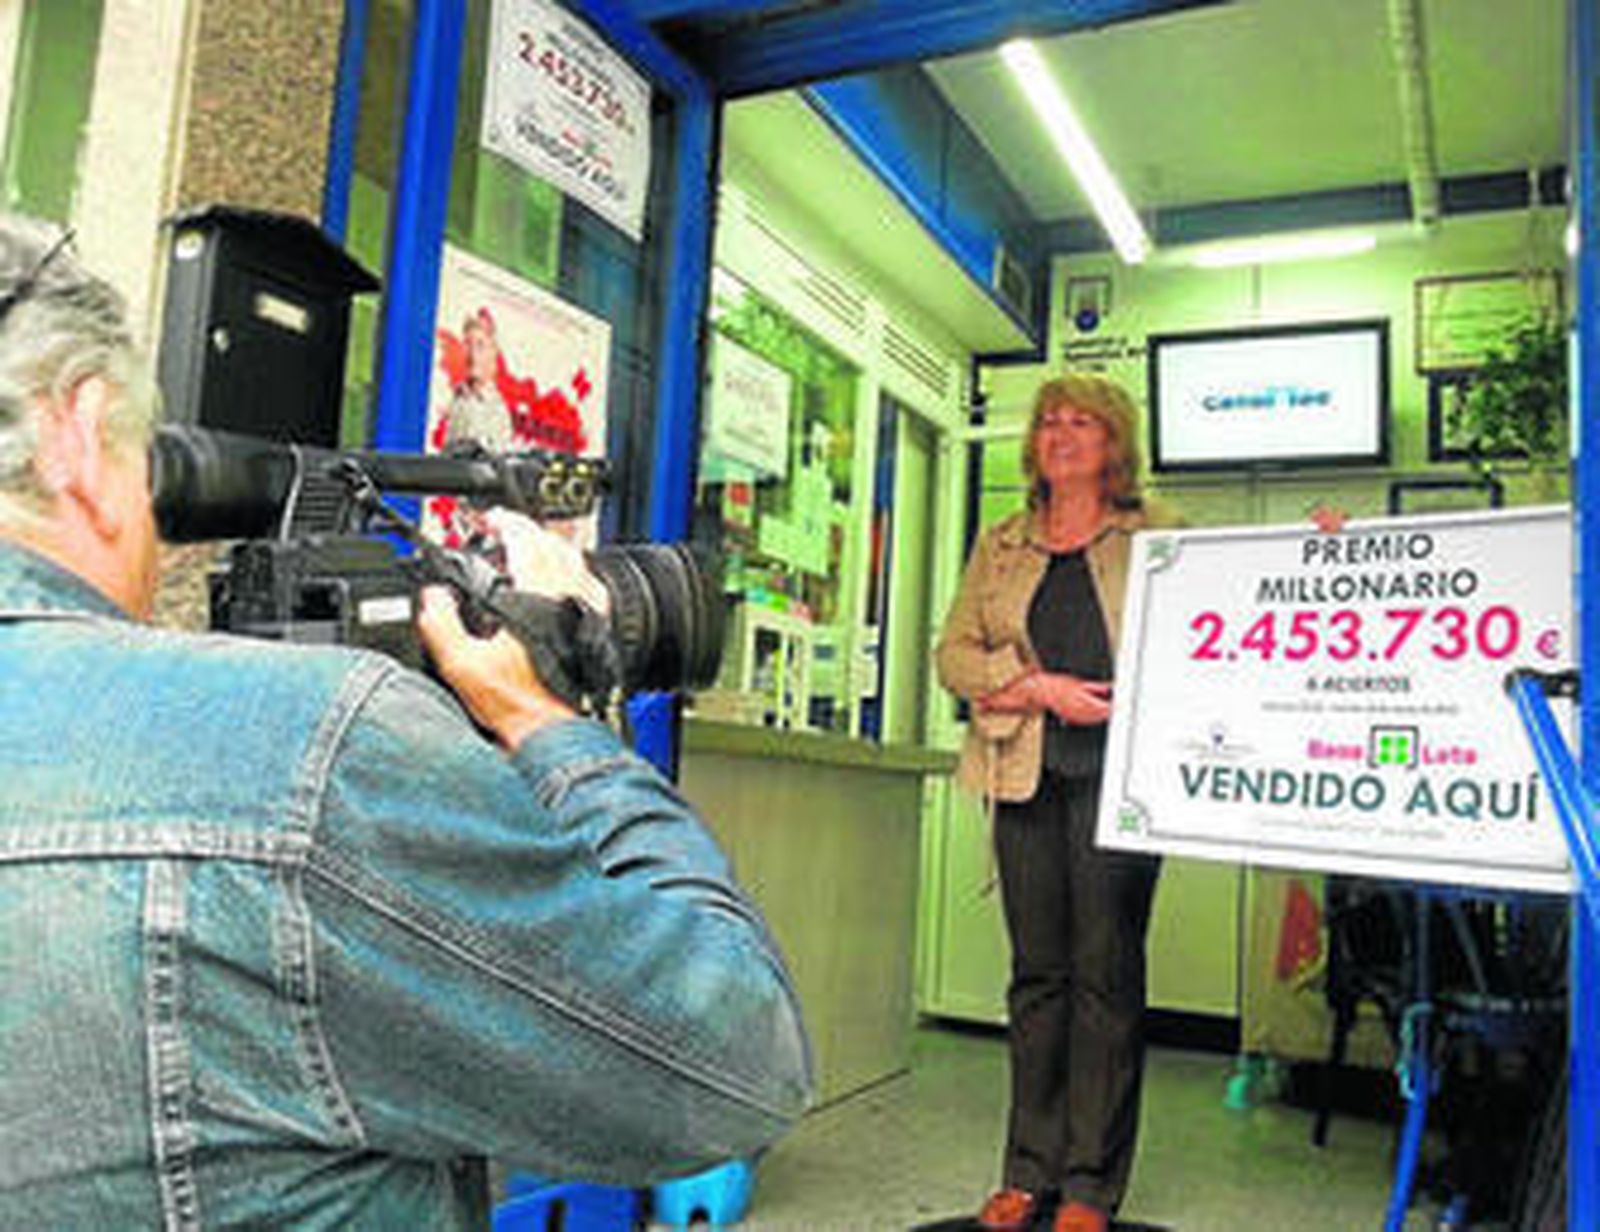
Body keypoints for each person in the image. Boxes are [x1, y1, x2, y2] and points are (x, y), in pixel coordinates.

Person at [0, 214, 811, 1228]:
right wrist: (543, 716)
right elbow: (735, 1059)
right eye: (137, 454)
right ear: (77, 433)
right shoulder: (310, 764)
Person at [936, 373, 1178, 1232]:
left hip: (1124, 781)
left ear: (1115, 444)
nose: (1064, 435)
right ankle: (1026, 1169)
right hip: (1023, 773)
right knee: (1038, 977)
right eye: (1050, 422)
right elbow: (953, 655)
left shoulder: (1159, 533)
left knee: (1105, 978)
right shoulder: (1001, 543)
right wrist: (1033, 686)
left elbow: (1228, 605)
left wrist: (1320, 541)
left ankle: (1089, 1186)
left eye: (1084, 423)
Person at [443, 306, 514, 453]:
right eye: (468, 344)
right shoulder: (458, 398)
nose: (472, 354)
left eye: (480, 346)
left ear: (492, 353)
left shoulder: (497, 409)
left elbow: (495, 462)